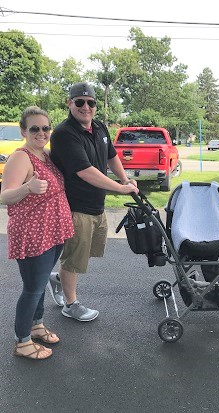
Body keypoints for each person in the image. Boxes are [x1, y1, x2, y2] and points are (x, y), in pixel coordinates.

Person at [47, 82, 139, 322]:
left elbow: (111, 156)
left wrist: (125, 179)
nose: (85, 107)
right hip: (76, 206)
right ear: (70, 103)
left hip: (96, 204)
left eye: (90, 102)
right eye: (79, 102)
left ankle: (58, 279)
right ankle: (71, 304)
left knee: (83, 254)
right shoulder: (64, 133)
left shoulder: (99, 128)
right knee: (75, 256)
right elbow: (85, 171)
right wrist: (120, 189)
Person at [0, 106, 74, 360]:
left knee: (40, 284)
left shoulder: (45, 155)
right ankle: (22, 342)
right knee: (32, 288)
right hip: (32, 234)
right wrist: (28, 188)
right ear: (24, 131)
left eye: (45, 128)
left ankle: (37, 324)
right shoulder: (21, 157)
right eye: (35, 128)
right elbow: (4, 196)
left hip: (52, 232)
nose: (41, 133)